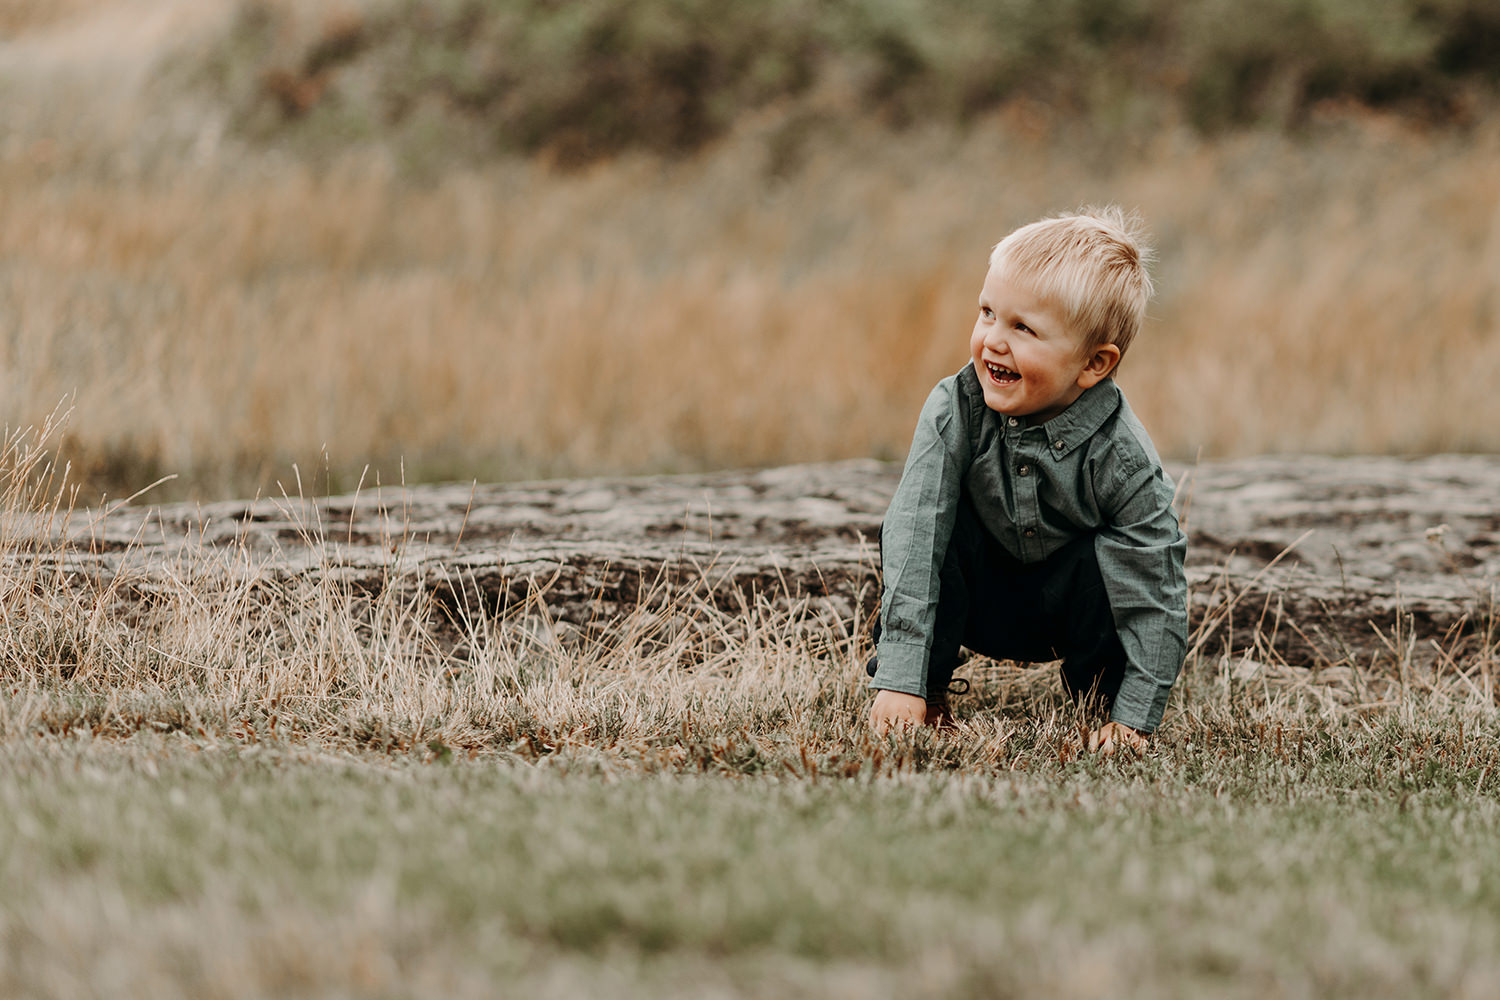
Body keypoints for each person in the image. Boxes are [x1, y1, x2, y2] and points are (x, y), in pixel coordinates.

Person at [866, 207, 1187, 754]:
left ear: (1094, 365)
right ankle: (924, 689)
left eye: (1023, 328)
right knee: (928, 528)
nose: (993, 340)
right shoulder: (954, 409)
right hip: (977, 599)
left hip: (1067, 613)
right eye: (988, 312)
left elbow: (1156, 587)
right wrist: (898, 677)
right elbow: (914, 537)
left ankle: (1105, 707)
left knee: (1112, 561)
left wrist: (1137, 715)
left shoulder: (1122, 455)